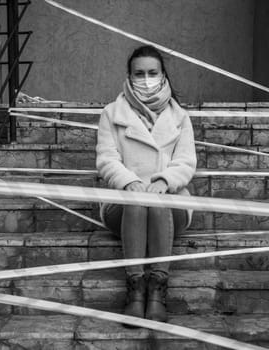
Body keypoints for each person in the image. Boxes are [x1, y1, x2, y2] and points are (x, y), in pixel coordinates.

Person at [96, 45, 197, 322]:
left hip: (171, 204)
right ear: (129, 76)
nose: (146, 78)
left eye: (153, 72)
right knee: (140, 203)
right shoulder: (111, 113)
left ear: (164, 75)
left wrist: (165, 181)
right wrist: (128, 183)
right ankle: (136, 289)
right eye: (139, 73)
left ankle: (157, 292)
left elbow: (186, 161)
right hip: (124, 207)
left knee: (157, 202)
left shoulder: (180, 117)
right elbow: (106, 159)